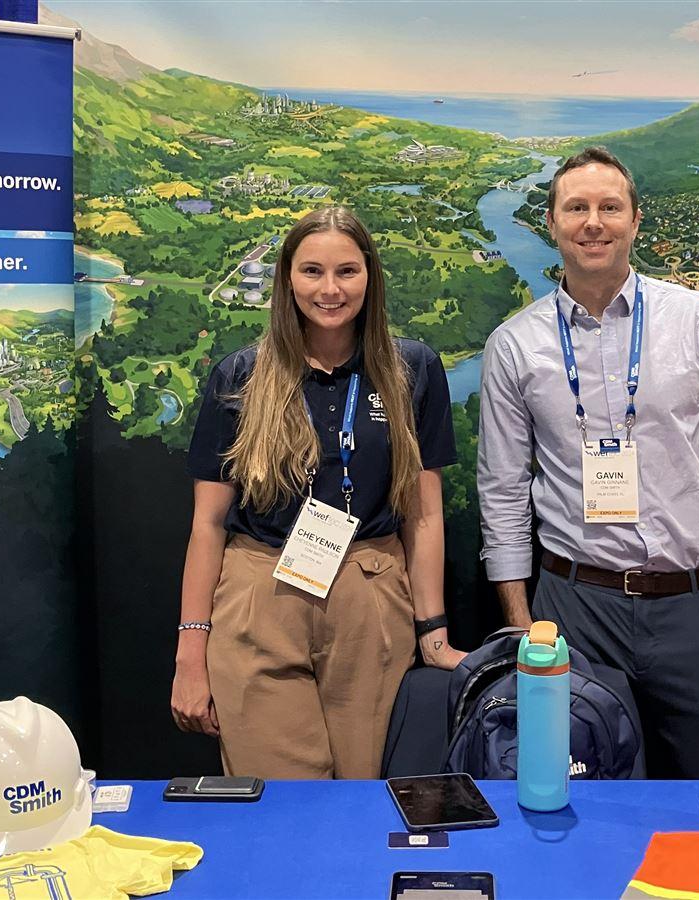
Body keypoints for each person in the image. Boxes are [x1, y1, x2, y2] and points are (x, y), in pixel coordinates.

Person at [477, 146, 699, 779]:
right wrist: (519, 628)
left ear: (635, 220)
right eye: (576, 208)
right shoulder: (514, 346)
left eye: (610, 207)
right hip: (574, 611)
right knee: (580, 802)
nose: (593, 222)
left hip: (693, 610)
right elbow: (504, 493)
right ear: (551, 222)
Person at [173, 206, 463, 779]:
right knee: (283, 803)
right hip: (260, 595)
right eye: (312, 271)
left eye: (346, 271)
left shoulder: (412, 369)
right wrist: (190, 652)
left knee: (364, 794)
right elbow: (206, 524)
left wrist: (433, 632)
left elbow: (424, 515)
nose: (330, 289)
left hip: (371, 593)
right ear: (287, 279)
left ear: (370, 277)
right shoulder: (241, 375)